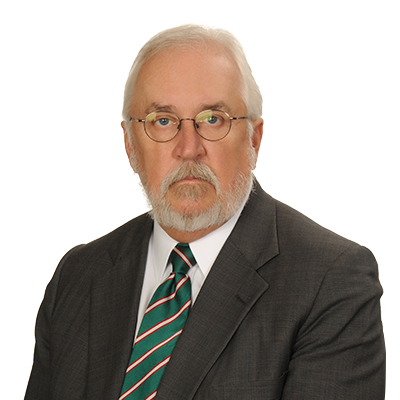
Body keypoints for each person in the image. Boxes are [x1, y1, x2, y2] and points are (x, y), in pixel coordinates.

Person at [24, 24, 385, 400]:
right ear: (130, 146)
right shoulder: (78, 276)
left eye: (213, 119)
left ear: (254, 139)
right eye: (162, 121)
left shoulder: (331, 281)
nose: (189, 148)